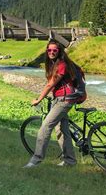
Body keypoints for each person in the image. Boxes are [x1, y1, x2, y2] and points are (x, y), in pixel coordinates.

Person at [24, 40, 78, 168]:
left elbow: (51, 84)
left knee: (45, 127)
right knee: (62, 130)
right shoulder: (54, 64)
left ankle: (36, 160)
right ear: (47, 51)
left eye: (55, 50)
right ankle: (70, 161)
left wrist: (39, 99)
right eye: (49, 50)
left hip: (65, 100)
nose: (52, 52)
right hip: (59, 99)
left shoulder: (62, 65)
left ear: (59, 51)